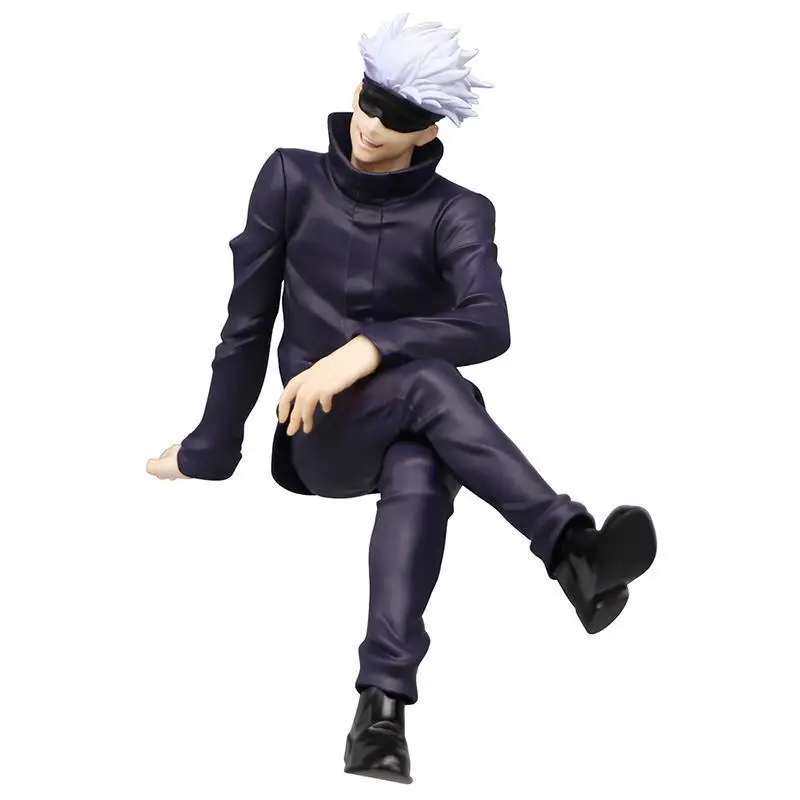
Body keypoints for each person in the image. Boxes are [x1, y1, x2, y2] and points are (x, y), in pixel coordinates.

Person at [146, 13, 657, 784]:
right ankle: (570, 549)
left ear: (430, 130)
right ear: (356, 87)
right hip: (317, 437)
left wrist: (369, 346)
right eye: (370, 100)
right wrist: (211, 449)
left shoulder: (459, 211)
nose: (373, 125)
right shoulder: (288, 179)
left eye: (400, 116)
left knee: (422, 461)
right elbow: (245, 327)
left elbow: (490, 322)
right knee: (435, 383)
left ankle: (380, 713)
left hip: (414, 427)